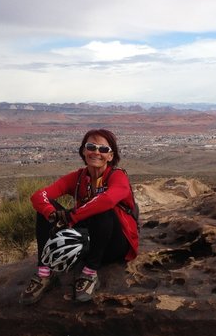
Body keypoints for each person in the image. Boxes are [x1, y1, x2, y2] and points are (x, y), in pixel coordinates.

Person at [20, 128, 139, 304]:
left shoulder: (118, 176)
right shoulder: (77, 178)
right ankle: (45, 272)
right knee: (44, 211)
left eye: (103, 149)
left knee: (104, 209)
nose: (96, 152)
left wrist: (72, 217)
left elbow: (107, 200)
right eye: (91, 146)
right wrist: (51, 214)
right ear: (84, 151)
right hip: (88, 239)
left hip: (115, 243)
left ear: (111, 156)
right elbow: (39, 196)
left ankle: (90, 273)